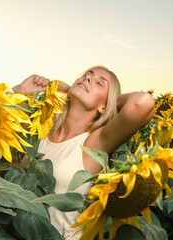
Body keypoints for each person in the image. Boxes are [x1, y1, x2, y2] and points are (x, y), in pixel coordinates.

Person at [13, 66, 155, 239]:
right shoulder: (41, 127)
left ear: (104, 106)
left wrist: (108, 102)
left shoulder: (94, 143)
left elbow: (144, 103)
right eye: (86, 76)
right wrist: (20, 90)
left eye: (99, 83)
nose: (87, 79)